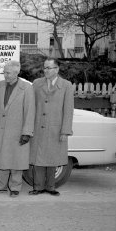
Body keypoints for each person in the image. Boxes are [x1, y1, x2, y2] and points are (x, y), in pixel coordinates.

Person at [29, 58, 74, 196]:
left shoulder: (66, 85)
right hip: (38, 127)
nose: (46, 70)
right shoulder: (36, 83)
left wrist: (65, 131)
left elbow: (68, 110)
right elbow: (31, 106)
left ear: (57, 69)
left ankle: (50, 187)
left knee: (52, 158)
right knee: (38, 159)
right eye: (45, 68)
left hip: (56, 128)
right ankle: (38, 187)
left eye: (49, 68)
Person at [0, 60, 35, 198]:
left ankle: (15, 187)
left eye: (8, 72)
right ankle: (0, 186)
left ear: (17, 72)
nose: (5, 75)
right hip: (0, 130)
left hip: (17, 131)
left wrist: (27, 132)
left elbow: (30, 111)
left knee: (16, 160)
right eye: (4, 72)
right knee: (0, 159)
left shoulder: (27, 88)